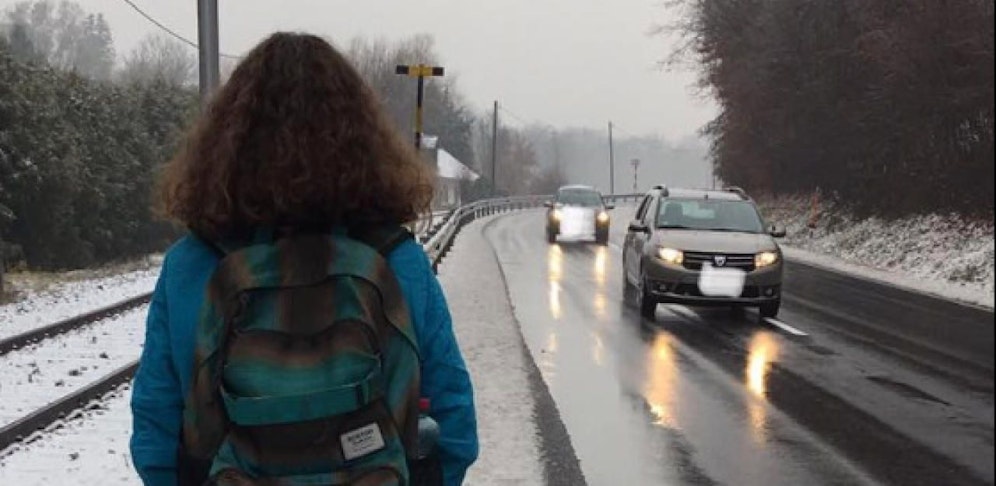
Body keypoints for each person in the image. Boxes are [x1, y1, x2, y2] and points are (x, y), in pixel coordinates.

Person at [129, 32, 478, 485]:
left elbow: (155, 440)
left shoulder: (192, 266)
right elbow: (455, 430)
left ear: (226, 145)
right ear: (361, 141)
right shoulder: (397, 261)